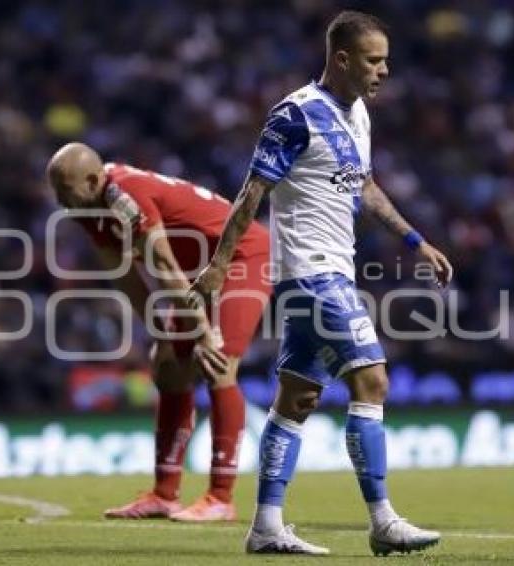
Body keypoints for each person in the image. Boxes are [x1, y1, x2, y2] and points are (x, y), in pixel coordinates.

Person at [189, 10, 453, 555]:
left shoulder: (357, 115)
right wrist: (219, 264)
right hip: (310, 272)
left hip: (330, 268)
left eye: (386, 60)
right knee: (372, 380)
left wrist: (413, 240)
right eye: (375, 60)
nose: (384, 71)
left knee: (298, 398)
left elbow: (366, 188)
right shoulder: (296, 114)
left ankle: (265, 525)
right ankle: (382, 520)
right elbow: (251, 194)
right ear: (342, 58)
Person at [46, 142, 271, 522]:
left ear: (91, 179)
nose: (59, 199)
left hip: (240, 256)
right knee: (168, 367)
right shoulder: (86, 206)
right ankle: (164, 495)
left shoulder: (124, 197)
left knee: (217, 363)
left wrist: (202, 333)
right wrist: (160, 333)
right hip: (195, 273)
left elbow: (164, 266)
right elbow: (125, 276)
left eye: (64, 190)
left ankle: (220, 497)